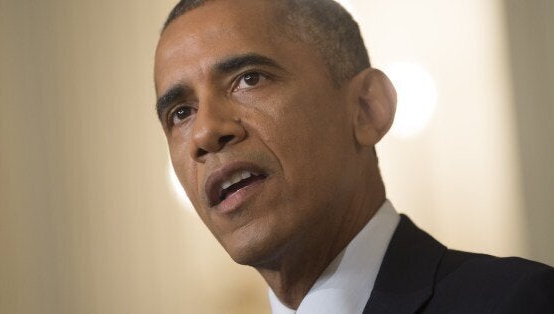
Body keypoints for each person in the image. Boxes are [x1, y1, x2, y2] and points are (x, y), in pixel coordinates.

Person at [153, 0, 554, 312]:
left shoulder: (518, 302)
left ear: (367, 108)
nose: (204, 133)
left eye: (249, 79)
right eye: (181, 113)